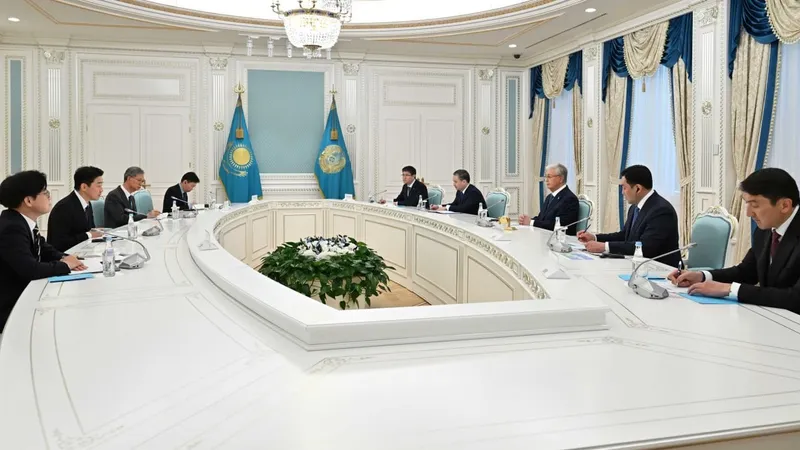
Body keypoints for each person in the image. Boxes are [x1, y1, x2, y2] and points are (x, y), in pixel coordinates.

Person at [668, 168, 800, 313]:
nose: (748, 213)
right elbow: (746, 272)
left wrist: (730, 289)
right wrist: (702, 276)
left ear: (785, 205)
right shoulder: (766, 229)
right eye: (747, 204)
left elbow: (795, 298)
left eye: (755, 205)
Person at [0, 171, 86, 331]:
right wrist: (66, 265)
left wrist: (65, 257)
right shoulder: (11, 228)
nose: (49, 196)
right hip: (11, 308)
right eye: (44, 192)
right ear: (28, 200)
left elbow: (45, 249)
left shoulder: (21, 221)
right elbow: (30, 269)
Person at [577, 165, 681, 267]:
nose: (622, 192)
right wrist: (595, 237)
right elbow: (624, 236)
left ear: (637, 189)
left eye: (624, 188)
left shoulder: (661, 210)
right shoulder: (634, 207)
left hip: (661, 270)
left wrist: (605, 247)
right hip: (637, 264)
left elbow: (646, 247)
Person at [47, 166, 105, 252]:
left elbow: (89, 229)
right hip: (65, 256)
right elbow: (59, 242)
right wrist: (89, 235)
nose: (101, 190)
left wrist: (97, 232)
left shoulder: (87, 203)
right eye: (98, 186)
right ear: (84, 187)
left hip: (84, 251)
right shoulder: (63, 207)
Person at [519, 163, 579, 235]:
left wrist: (531, 222)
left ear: (561, 179)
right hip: (546, 236)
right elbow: (542, 218)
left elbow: (559, 225)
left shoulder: (569, 199)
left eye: (549, 177)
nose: (546, 180)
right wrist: (527, 220)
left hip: (560, 239)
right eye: (546, 177)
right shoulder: (549, 197)